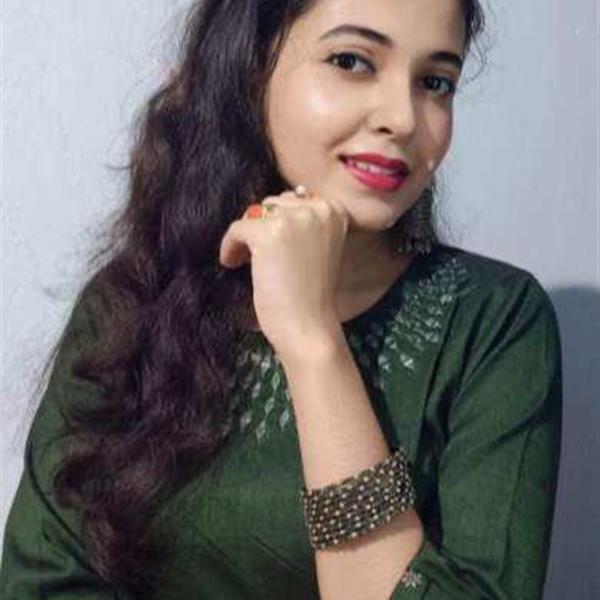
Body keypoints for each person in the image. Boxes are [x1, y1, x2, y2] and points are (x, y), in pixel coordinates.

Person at [1, 0, 563, 598]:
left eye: (435, 82)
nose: (403, 118)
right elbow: (43, 583)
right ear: (252, 65)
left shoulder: (493, 324)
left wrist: (312, 341)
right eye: (352, 61)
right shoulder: (135, 302)